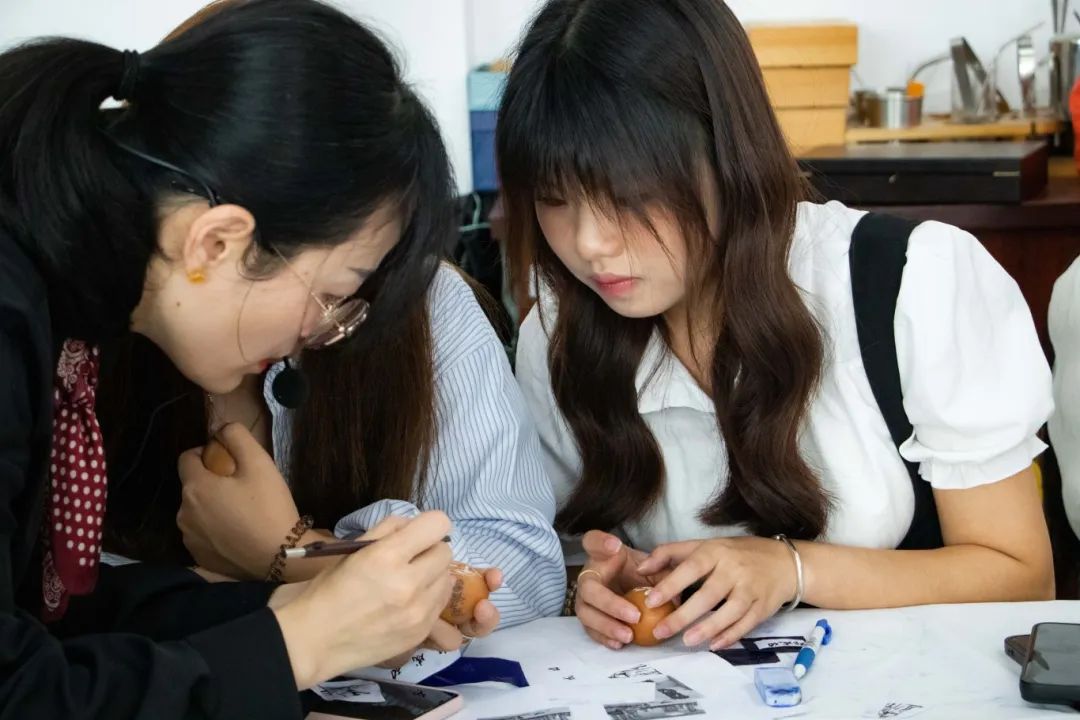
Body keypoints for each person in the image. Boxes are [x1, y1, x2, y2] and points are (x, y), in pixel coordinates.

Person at [500, 0, 1056, 653]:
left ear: (727, 156)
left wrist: (791, 570)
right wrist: (596, 588)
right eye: (554, 199)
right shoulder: (559, 334)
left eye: (628, 195)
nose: (590, 243)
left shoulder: (913, 281)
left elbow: (1023, 578)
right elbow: (570, 558)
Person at [0, 0, 466, 716]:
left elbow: (47, 612)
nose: (321, 336)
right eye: (333, 294)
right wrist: (304, 641)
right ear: (215, 242)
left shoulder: (59, 298)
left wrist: (299, 607)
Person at [97, 0, 565, 649]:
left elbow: (522, 571)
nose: (333, 325)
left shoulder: (417, 303)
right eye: (332, 288)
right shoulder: (78, 336)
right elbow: (54, 610)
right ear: (216, 242)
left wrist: (295, 553)